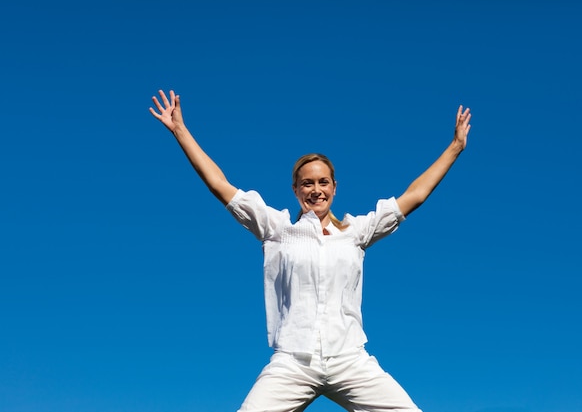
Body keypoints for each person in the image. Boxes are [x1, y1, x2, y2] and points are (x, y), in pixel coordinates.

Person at [149, 89, 471, 412]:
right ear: (295, 189)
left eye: (323, 182)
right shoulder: (276, 228)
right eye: (307, 183)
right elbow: (220, 185)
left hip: (348, 358)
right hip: (294, 359)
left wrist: (455, 148)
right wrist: (180, 131)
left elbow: (414, 195)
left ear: (334, 187)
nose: (315, 190)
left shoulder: (356, 232)